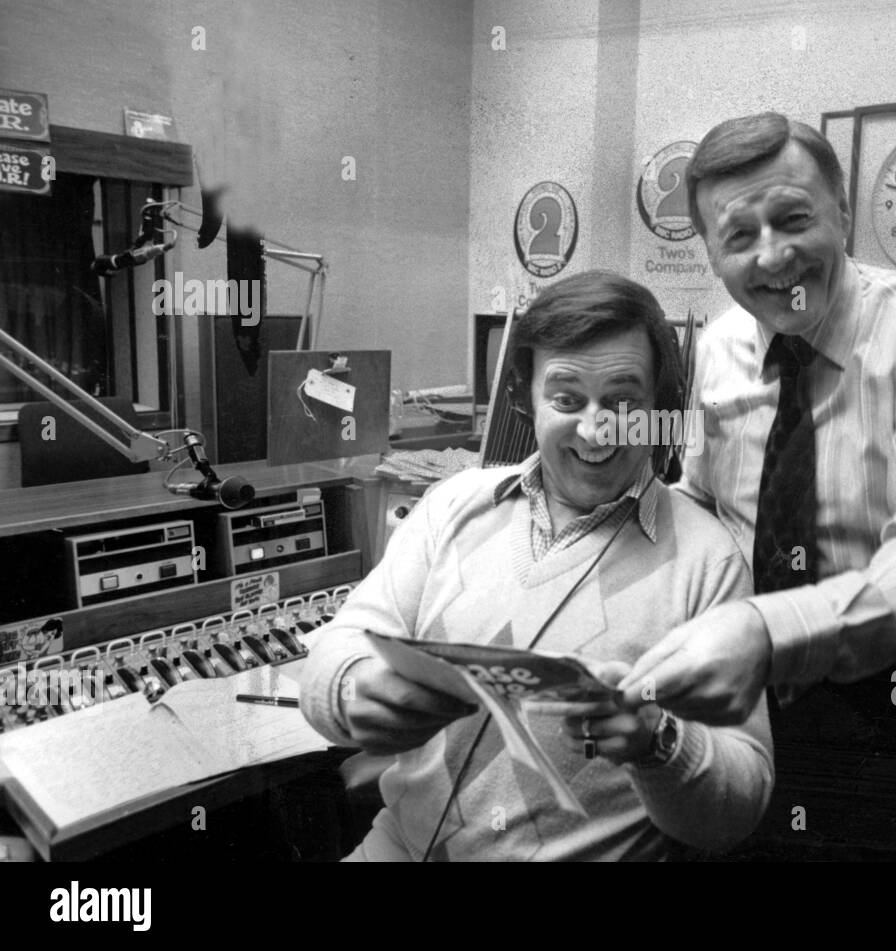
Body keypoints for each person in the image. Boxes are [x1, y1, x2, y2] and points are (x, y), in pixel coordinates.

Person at [620, 113, 896, 859]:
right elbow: (709, 497)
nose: (773, 257)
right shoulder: (723, 344)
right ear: (710, 252)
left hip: (890, 697)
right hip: (744, 696)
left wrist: (770, 633)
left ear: (844, 212)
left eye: (794, 218)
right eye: (738, 237)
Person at [300, 271, 772, 861]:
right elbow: (337, 644)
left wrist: (659, 742)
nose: (596, 428)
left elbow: (742, 798)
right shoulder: (454, 503)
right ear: (527, 400)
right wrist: (352, 688)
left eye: (624, 402)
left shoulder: (709, 562)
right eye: (567, 399)